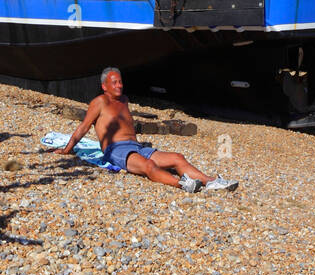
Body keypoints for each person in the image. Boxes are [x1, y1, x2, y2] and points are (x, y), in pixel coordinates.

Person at [53, 67, 238, 193]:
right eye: (115, 83)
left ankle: (211, 181)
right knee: (149, 166)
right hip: (116, 150)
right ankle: (182, 184)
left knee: (177, 158)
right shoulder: (99, 102)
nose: (119, 85)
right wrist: (67, 150)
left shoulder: (124, 100)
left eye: (120, 82)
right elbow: (84, 127)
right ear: (104, 86)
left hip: (137, 146)